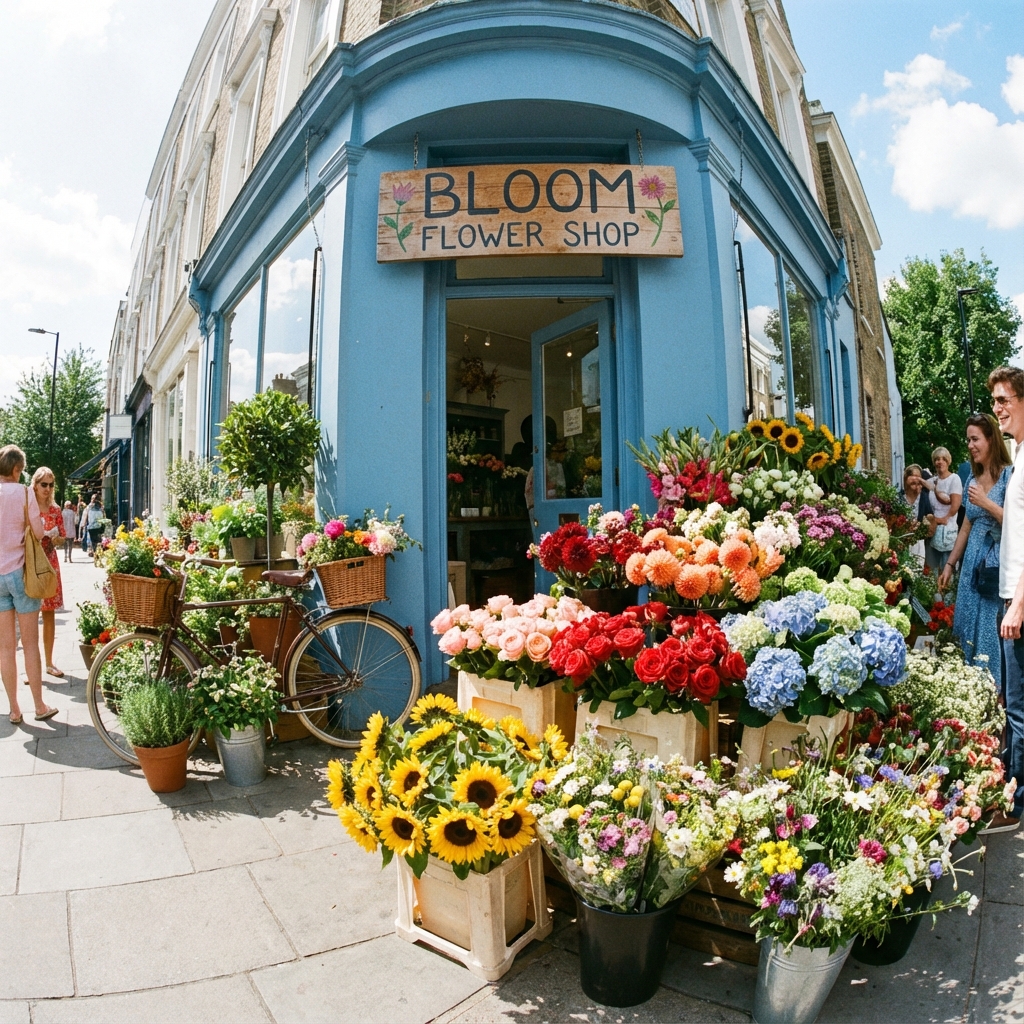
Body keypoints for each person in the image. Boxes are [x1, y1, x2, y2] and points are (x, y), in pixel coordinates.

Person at [938, 414, 1012, 687]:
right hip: (971, 565)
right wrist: (949, 565)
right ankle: (969, 686)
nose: (970, 445)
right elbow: (966, 528)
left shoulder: (1010, 476)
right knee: (967, 621)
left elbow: (1017, 523)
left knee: (990, 628)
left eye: (975, 439)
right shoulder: (972, 479)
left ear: (991, 439)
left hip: (995, 564)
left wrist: (987, 503)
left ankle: (994, 690)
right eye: (968, 439)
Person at [984, 365, 1024, 833]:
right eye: (995, 401)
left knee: (1017, 706)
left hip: (1020, 599)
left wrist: (1017, 603)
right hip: (1014, 595)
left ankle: (1016, 808)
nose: (998, 408)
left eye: (1004, 399)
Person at [0, 445, 57, 724]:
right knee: (31, 644)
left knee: (5, 648)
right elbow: (37, 531)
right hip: (21, 575)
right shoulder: (23, 493)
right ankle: (39, 705)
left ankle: (13, 709)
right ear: (16, 469)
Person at [31, 468, 66, 678]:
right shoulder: (29, 508)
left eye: (51, 485)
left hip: (50, 564)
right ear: (35, 485)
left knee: (49, 613)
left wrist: (56, 539)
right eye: (43, 484)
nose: (47, 489)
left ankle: (49, 662)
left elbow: (62, 536)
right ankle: (32, 667)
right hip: (32, 564)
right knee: (29, 616)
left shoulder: (55, 510)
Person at [922, 446, 963, 572]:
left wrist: (943, 519)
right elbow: (919, 483)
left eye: (943, 459)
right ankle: (933, 592)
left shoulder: (954, 479)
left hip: (948, 530)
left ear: (948, 461)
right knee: (932, 570)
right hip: (933, 531)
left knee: (946, 570)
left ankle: (947, 592)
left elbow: (955, 506)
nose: (940, 462)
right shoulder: (933, 481)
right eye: (937, 459)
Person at [900, 464, 936, 563]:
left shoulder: (924, 497)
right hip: (901, 541)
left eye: (918, 476)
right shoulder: (899, 497)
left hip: (917, 543)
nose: (916, 479)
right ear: (906, 478)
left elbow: (930, 517)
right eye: (912, 475)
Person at [85, 493, 105, 561]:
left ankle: (95, 556)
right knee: (98, 542)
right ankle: (98, 556)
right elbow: (103, 517)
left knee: (94, 542)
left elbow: (86, 517)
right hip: (98, 527)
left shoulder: (89, 507)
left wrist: (84, 526)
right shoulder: (101, 508)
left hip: (91, 527)